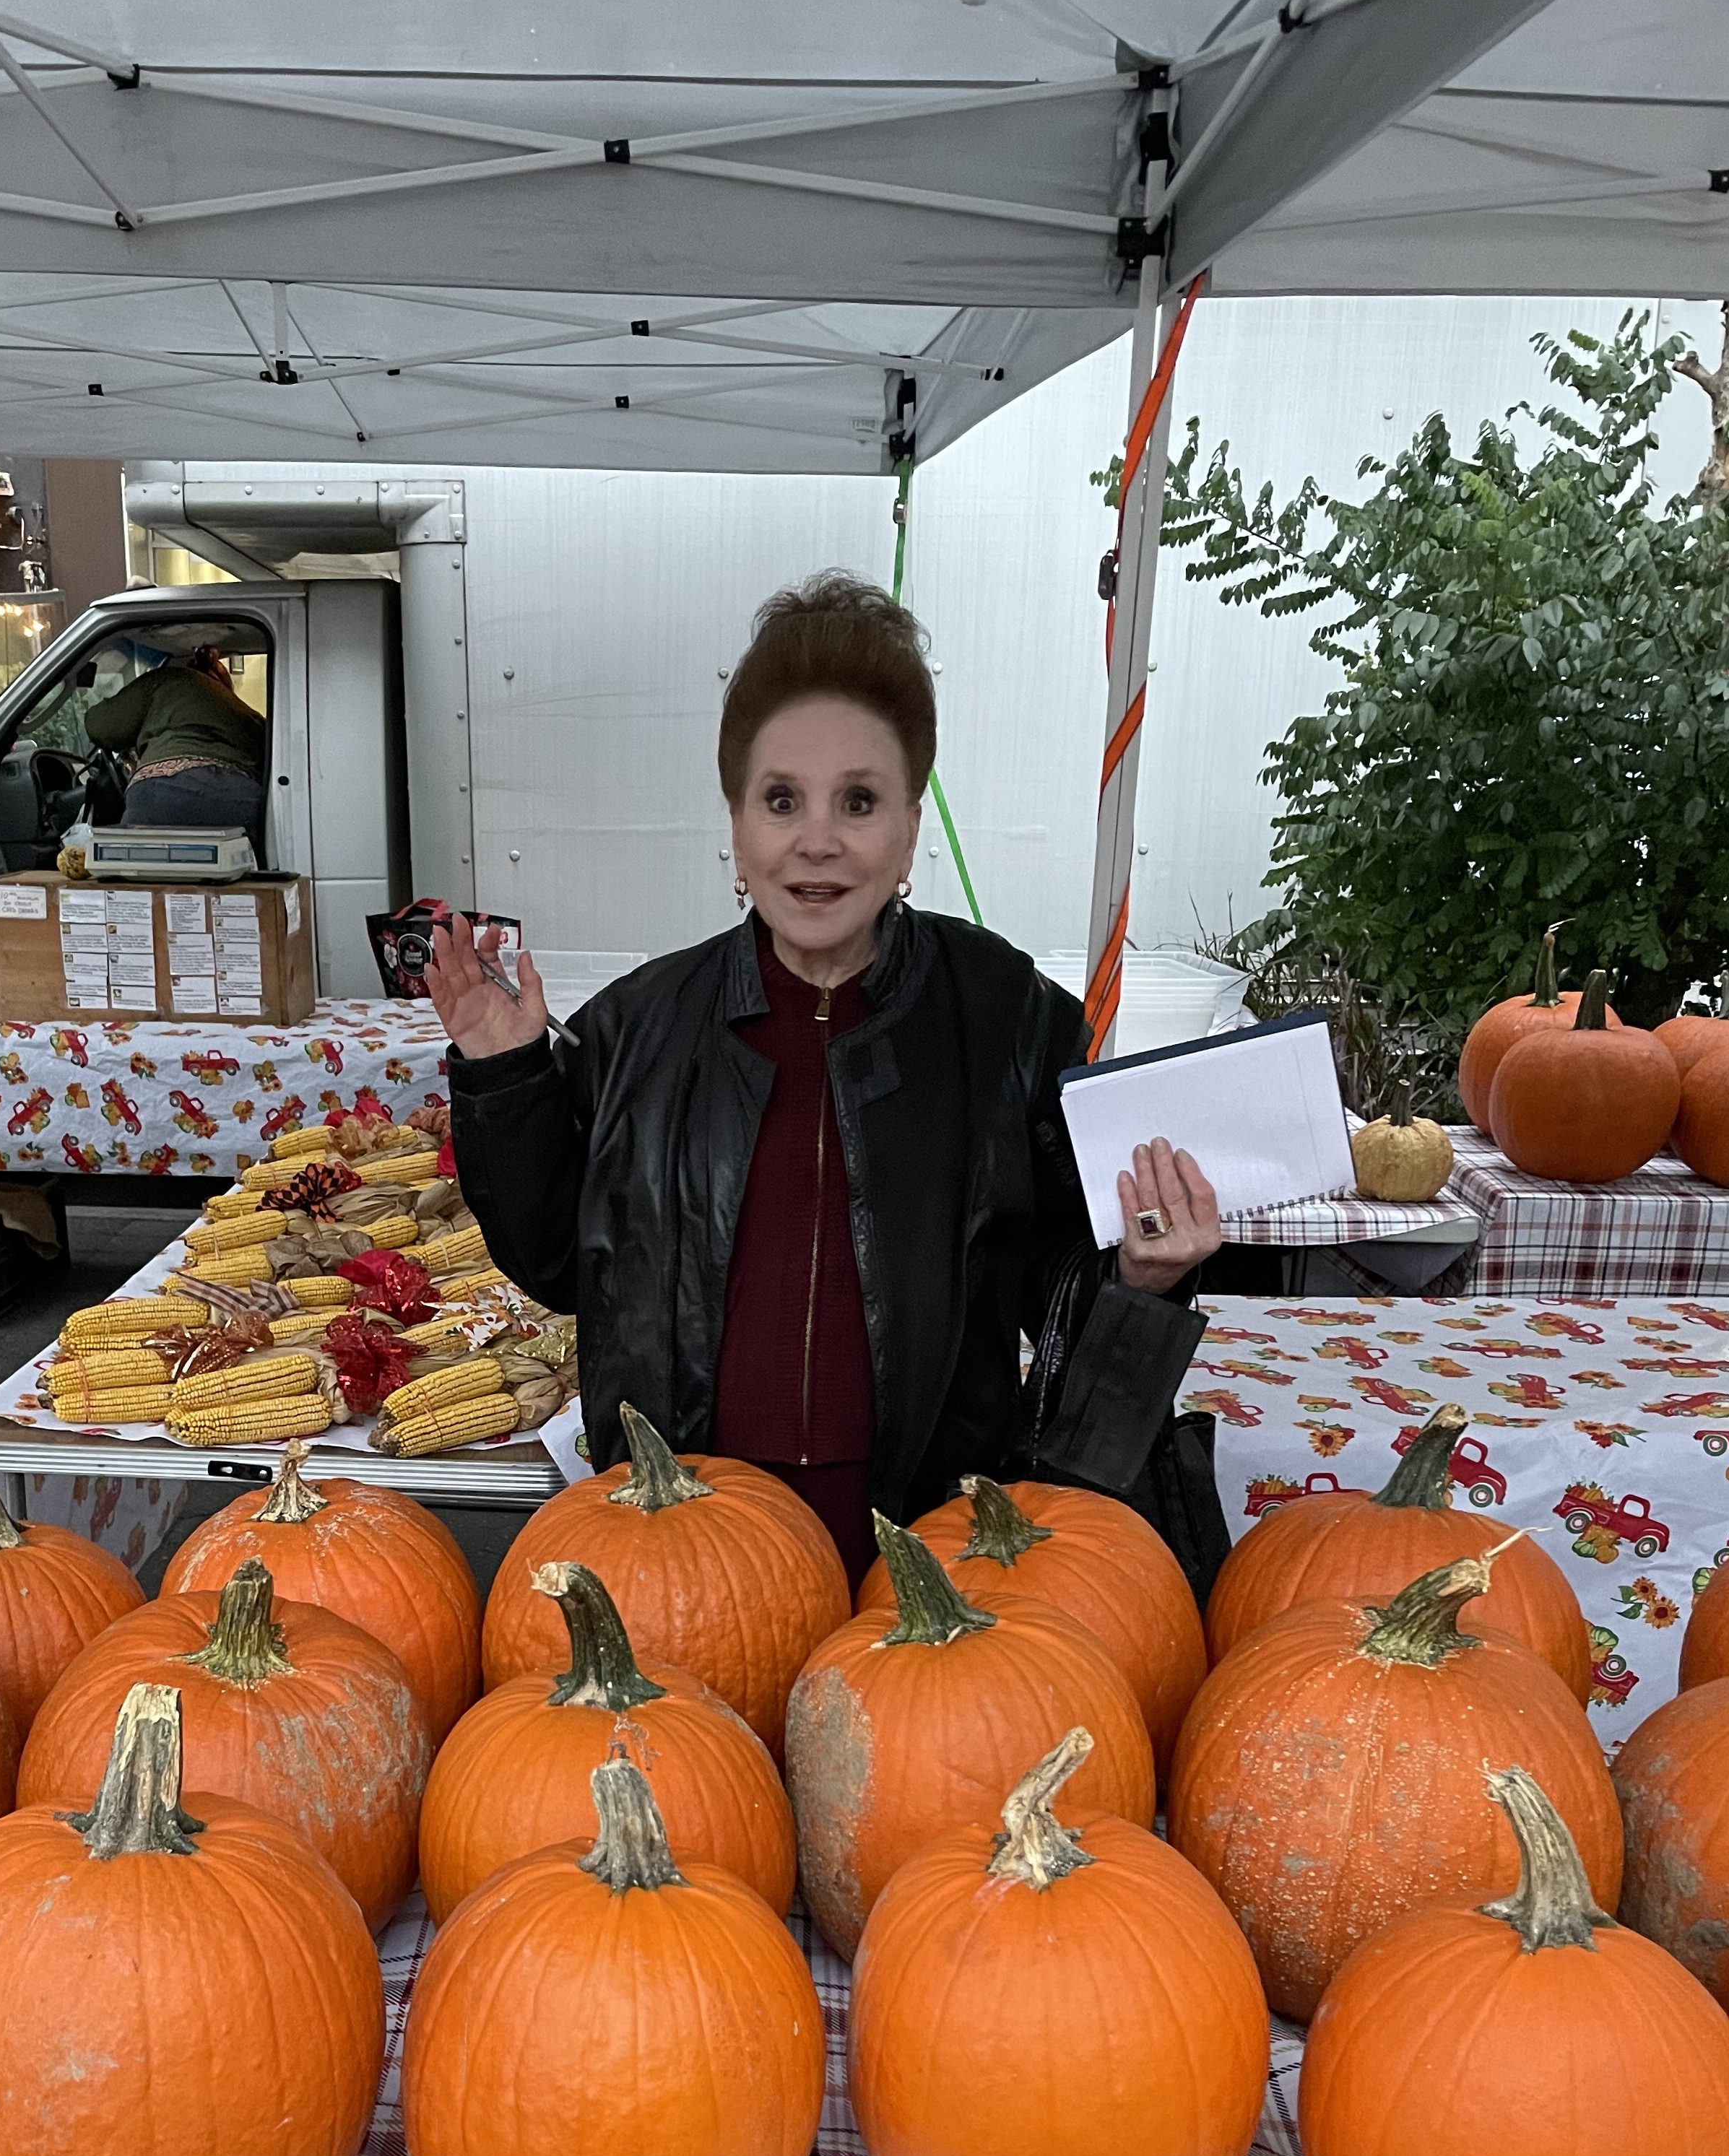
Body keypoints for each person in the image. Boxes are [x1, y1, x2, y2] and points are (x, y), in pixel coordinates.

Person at [429, 572, 1221, 1587]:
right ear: (736, 824)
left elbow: (1057, 1291)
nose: (817, 840)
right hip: (692, 1553)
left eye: (859, 800)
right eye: (781, 800)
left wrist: (1145, 1279)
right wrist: (507, 1078)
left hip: (930, 1546)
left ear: (908, 825)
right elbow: (557, 1262)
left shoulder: (1007, 1017)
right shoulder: (640, 1027)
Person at [84, 646, 267, 856]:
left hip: (159, 794)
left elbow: (101, 726)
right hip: (235, 801)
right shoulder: (248, 714)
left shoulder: (169, 679)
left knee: (139, 876)